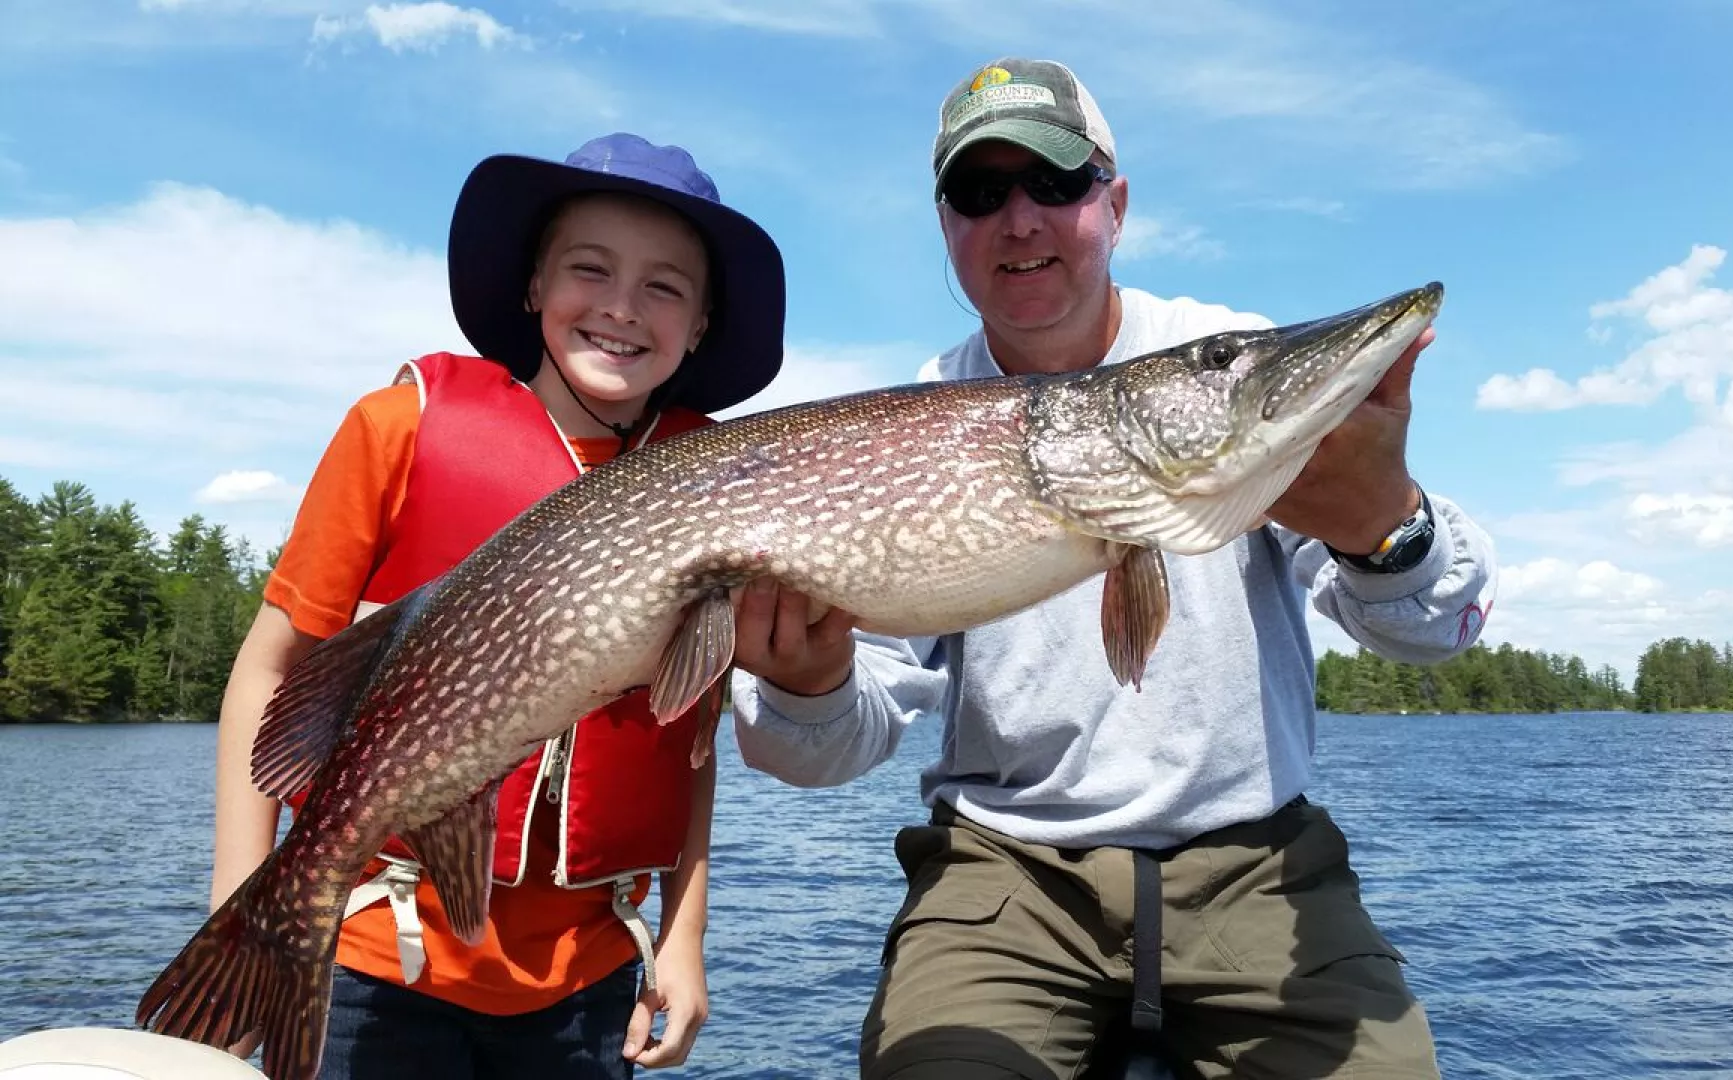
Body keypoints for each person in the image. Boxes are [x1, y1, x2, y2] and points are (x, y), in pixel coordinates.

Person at [727, 58, 1498, 1079]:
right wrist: (804, 681)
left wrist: (1383, 528)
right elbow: (826, 749)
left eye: (1056, 183)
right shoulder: (906, 429)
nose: (1021, 220)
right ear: (947, 225)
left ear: (1115, 204)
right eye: (979, 191)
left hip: (1263, 872)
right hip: (1002, 882)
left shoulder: (1221, 368)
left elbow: (1436, 631)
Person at [210, 132, 786, 1078]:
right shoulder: (398, 428)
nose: (619, 308)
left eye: (665, 287)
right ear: (532, 286)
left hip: (587, 984)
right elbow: (267, 672)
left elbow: (688, 742)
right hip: (373, 954)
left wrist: (683, 942)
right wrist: (244, 913)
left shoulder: (716, 487)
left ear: (703, 322)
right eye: (588, 269)